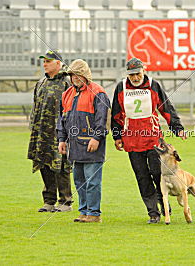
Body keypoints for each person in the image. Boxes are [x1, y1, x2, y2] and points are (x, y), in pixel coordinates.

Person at [111, 58, 186, 224]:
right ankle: (153, 213)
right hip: (132, 141)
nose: (135, 78)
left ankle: (164, 205)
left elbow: (166, 109)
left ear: (143, 70)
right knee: (142, 177)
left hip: (154, 140)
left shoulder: (154, 85)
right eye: (132, 75)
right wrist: (117, 137)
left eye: (138, 73)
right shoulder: (121, 87)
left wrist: (177, 128)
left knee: (157, 174)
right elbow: (116, 115)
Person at [57, 59, 110, 223]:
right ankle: (84, 211)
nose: (74, 78)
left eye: (78, 75)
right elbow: (62, 120)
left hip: (92, 146)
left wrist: (96, 137)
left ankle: (94, 214)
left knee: (92, 182)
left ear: (85, 75)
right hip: (75, 146)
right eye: (72, 75)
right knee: (79, 180)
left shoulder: (98, 93)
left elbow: (102, 120)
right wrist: (61, 139)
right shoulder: (67, 95)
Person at [28, 49, 73, 213]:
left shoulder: (67, 82)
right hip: (42, 133)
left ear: (58, 63)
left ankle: (65, 201)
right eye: (44, 61)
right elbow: (35, 107)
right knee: (44, 164)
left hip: (60, 133)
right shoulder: (41, 83)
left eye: (48, 61)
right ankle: (49, 201)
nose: (45, 64)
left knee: (61, 166)